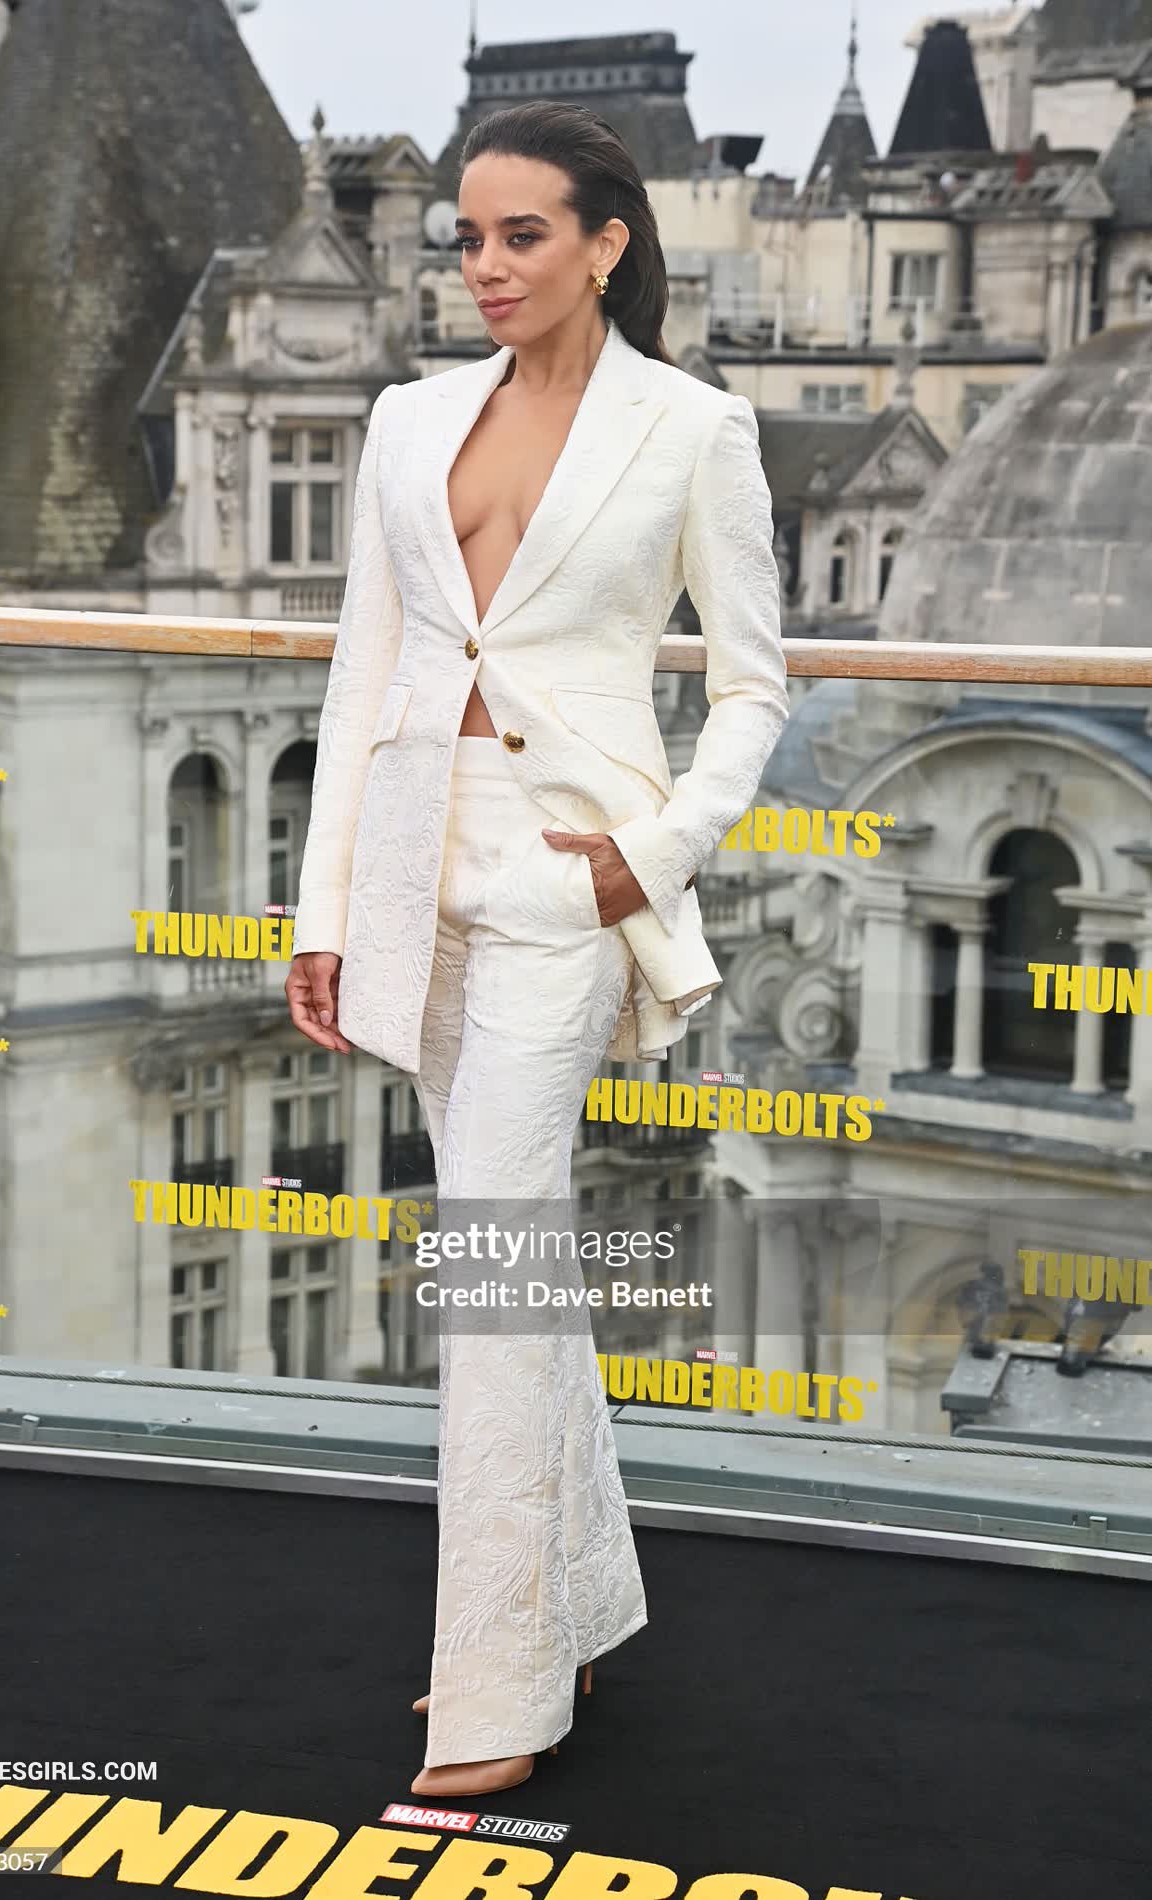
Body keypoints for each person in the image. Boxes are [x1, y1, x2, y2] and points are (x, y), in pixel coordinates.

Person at [284, 101, 789, 1799]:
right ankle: (575, 1602)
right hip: (413, 866)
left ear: (603, 244)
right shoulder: (408, 418)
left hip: (567, 874)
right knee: (516, 1257)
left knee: (492, 1254)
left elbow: (751, 688)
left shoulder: (694, 430)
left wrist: (653, 851)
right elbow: (364, 673)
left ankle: (498, 1688)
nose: (484, 268)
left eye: (519, 236)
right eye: (466, 239)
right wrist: (325, 912)